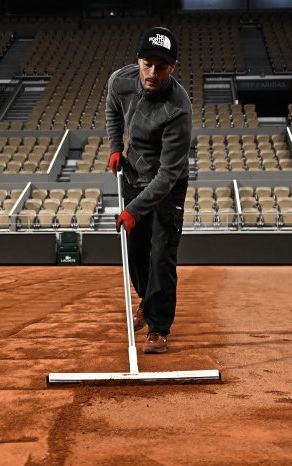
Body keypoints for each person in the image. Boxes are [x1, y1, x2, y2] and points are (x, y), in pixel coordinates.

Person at [105, 26, 192, 355]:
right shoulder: (120, 81)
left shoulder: (178, 108)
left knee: (161, 255)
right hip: (133, 175)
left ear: (173, 67)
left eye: (161, 66)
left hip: (166, 187)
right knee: (136, 253)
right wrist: (116, 147)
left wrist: (132, 211)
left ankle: (158, 327)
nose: (152, 73)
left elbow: (168, 174)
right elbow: (112, 109)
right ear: (138, 60)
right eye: (147, 64)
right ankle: (148, 300)